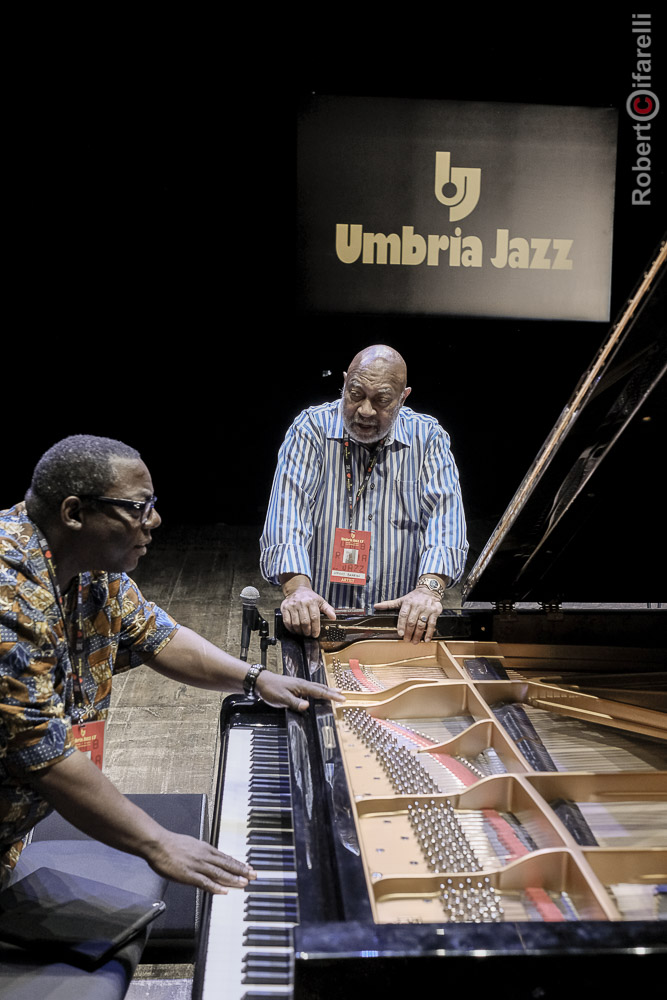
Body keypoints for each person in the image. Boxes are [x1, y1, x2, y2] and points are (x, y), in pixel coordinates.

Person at [0, 435, 343, 894]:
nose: (155, 520)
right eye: (138, 507)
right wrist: (157, 842)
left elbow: (157, 635)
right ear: (75, 513)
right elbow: (42, 752)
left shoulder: (91, 567)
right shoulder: (9, 596)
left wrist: (256, 678)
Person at [260, 345, 468, 644]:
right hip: (320, 620)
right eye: (355, 394)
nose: (366, 410)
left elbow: (445, 521)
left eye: (382, 400)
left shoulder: (429, 437)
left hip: (399, 627)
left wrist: (428, 589)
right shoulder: (311, 429)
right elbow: (287, 513)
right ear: (344, 383)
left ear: (402, 398)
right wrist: (298, 589)